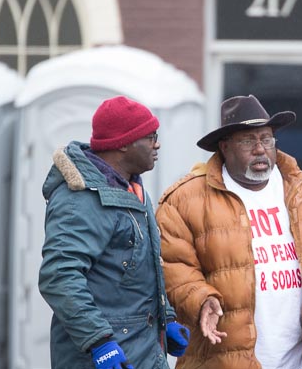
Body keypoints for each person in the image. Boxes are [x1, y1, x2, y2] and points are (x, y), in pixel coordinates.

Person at [156, 94, 302, 369]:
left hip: (301, 361)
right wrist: (201, 299)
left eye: (266, 139)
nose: (259, 149)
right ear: (224, 147)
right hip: (223, 359)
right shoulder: (185, 199)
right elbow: (173, 266)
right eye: (247, 141)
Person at [38, 95, 190, 369]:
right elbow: (59, 277)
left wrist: (164, 320)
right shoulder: (80, 199)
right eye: (151, 136)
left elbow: (137, 270)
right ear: (123, 144)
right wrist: (99, 342)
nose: (158, 144)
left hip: (142, 351)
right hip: (104, 356)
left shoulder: (131, 190)